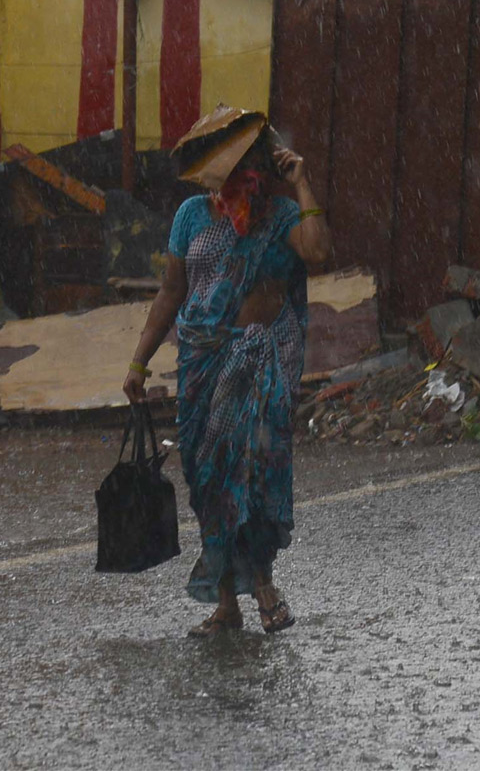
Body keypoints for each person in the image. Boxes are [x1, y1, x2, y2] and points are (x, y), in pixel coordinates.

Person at [123, 125, 331, 637]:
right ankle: (225, 605)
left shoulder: (281, 216)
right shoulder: (191, 216)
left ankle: (262, 584)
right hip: (201, 365)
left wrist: (301, 183)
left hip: (262, 363)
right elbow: (171, 292)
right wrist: (138, 362)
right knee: (209, 480)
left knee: (254, 475)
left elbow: (318, 251)